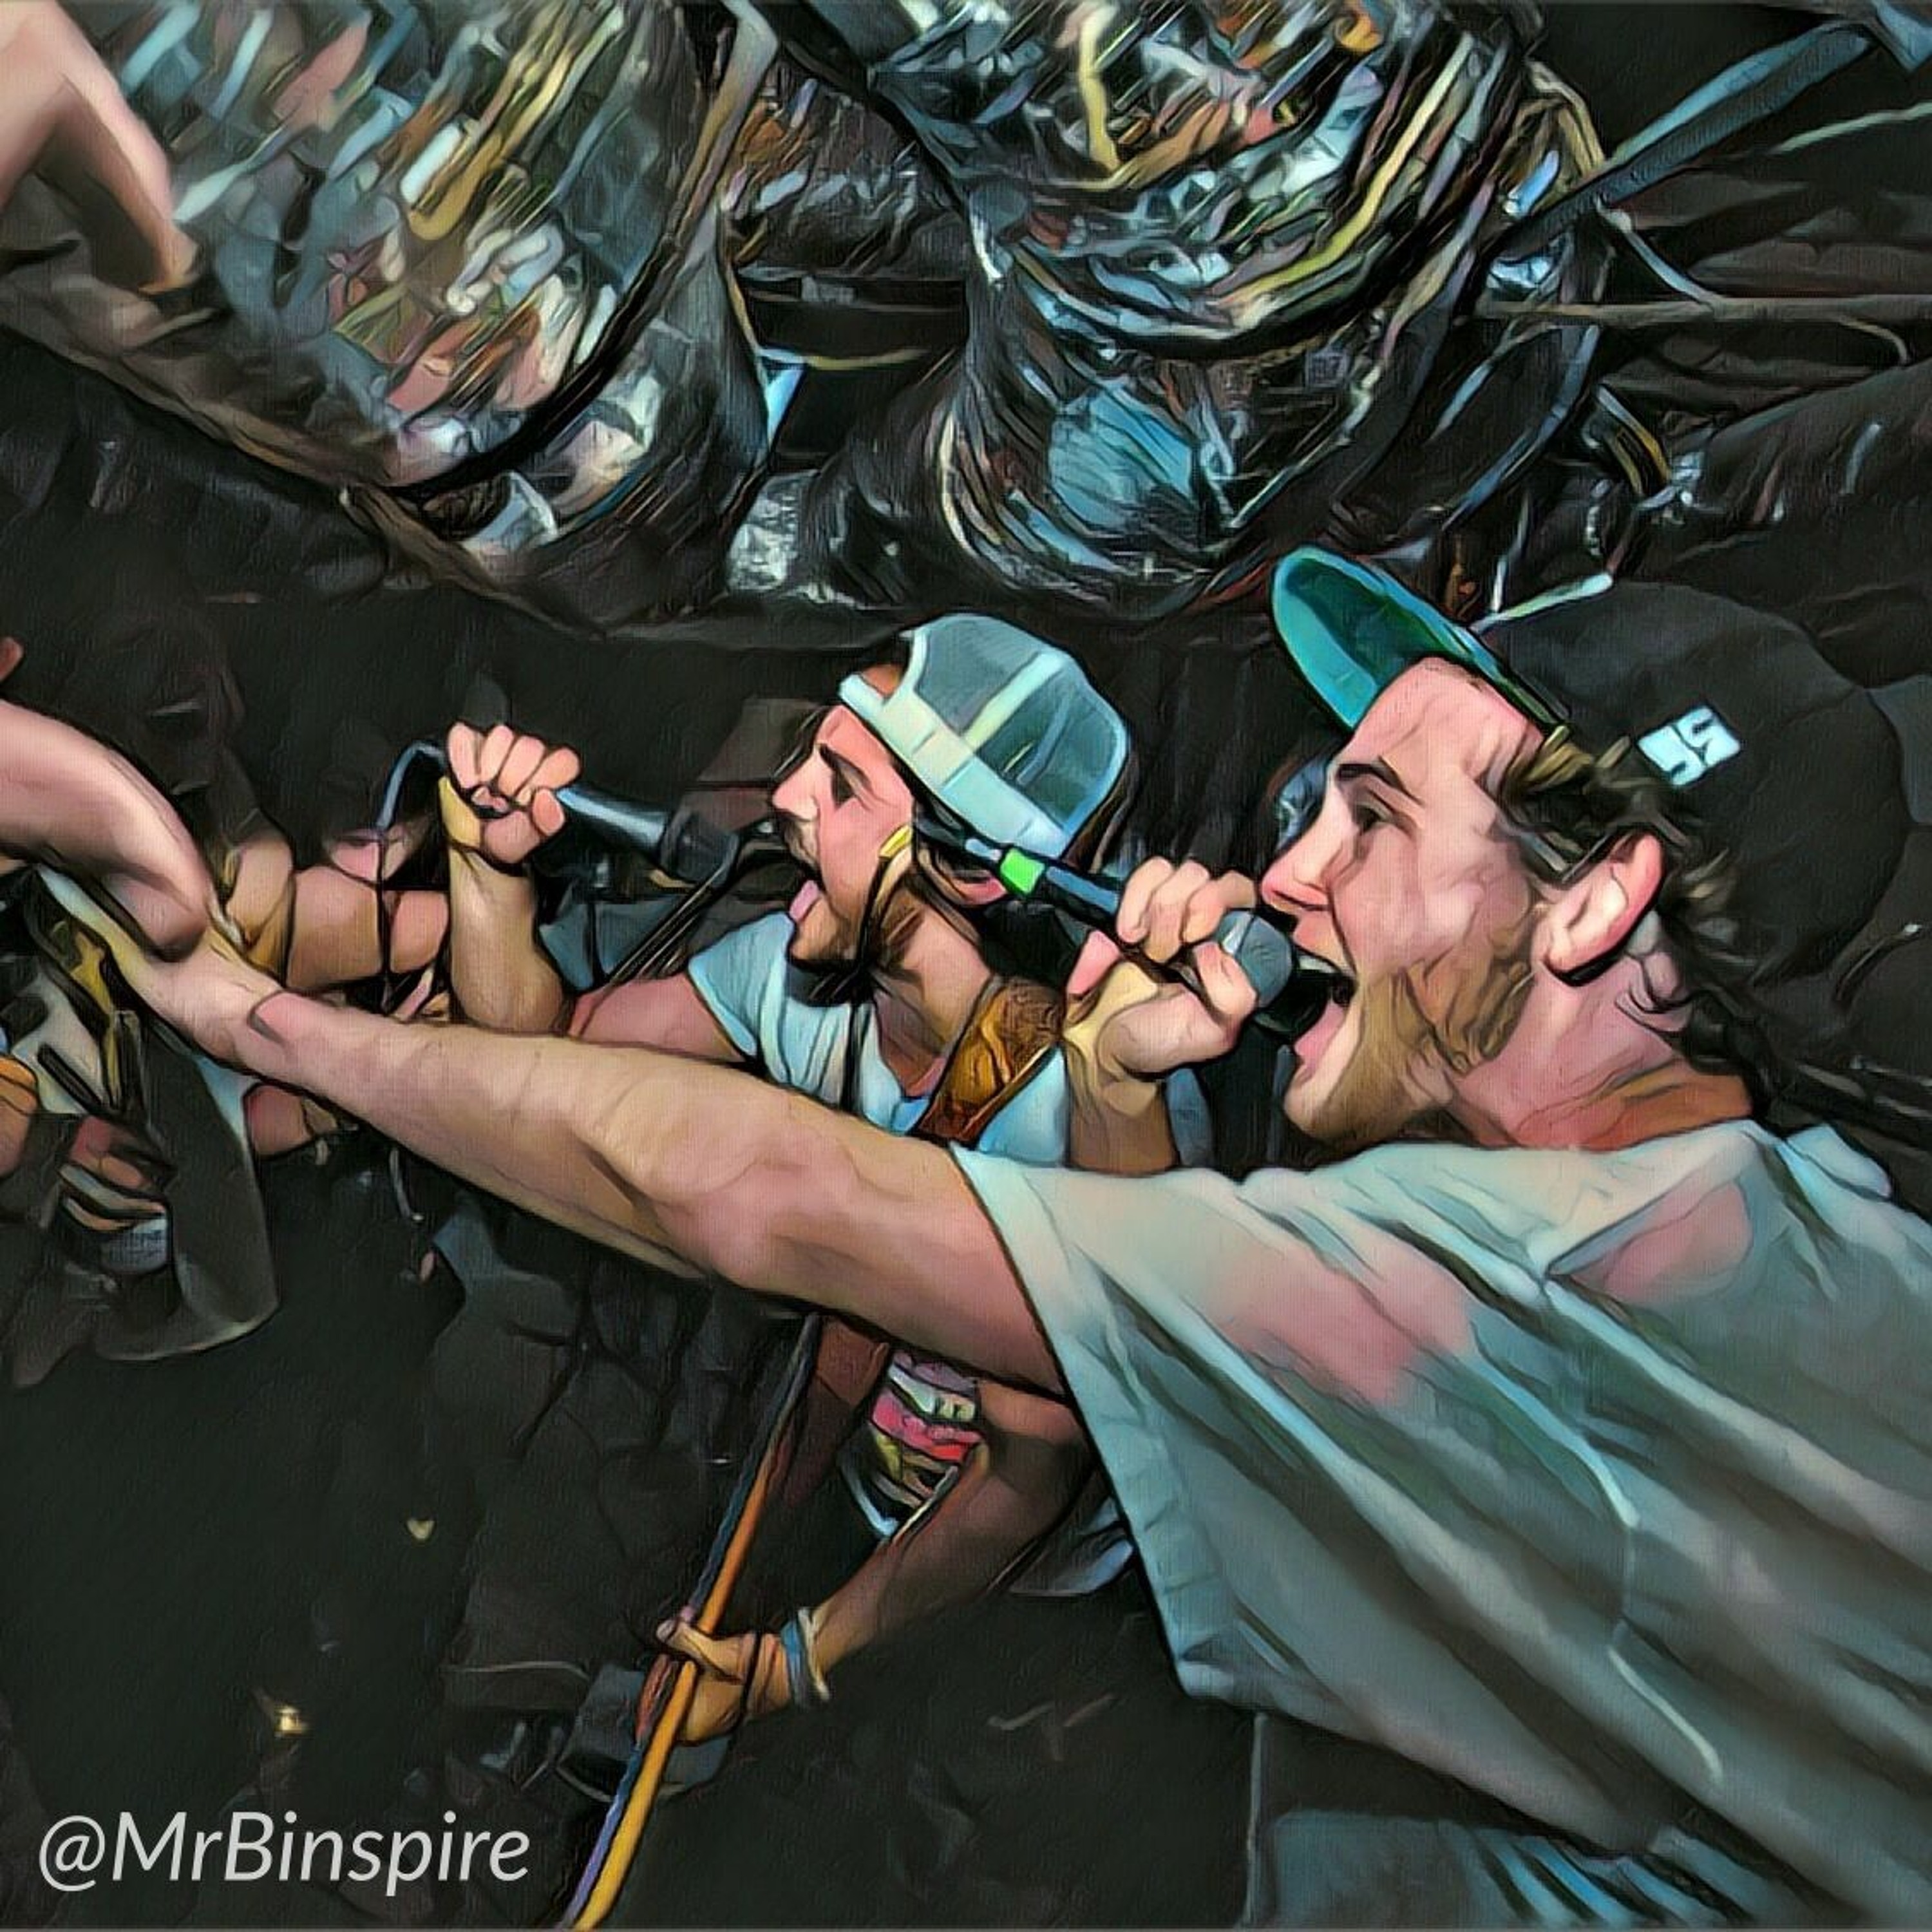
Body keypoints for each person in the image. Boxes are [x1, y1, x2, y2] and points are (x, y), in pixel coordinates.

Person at [109, 553, 1931, 1924]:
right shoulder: (1823, 1243)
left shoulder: (1512, 1292)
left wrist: (261, 1026)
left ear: (1596, 904)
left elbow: (760, 1198)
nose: (1290, 875)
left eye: (1372, 822)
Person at [431, 611, 1209, 1739]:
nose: (788, 795)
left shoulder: (1083, 1118)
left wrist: (800, 1662)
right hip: (863, 1497)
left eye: (842, 787)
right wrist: (486, 869)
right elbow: (540, 1057)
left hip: (1032, 1603)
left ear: (969, 868)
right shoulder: (798, 980)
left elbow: (1019, 1486)